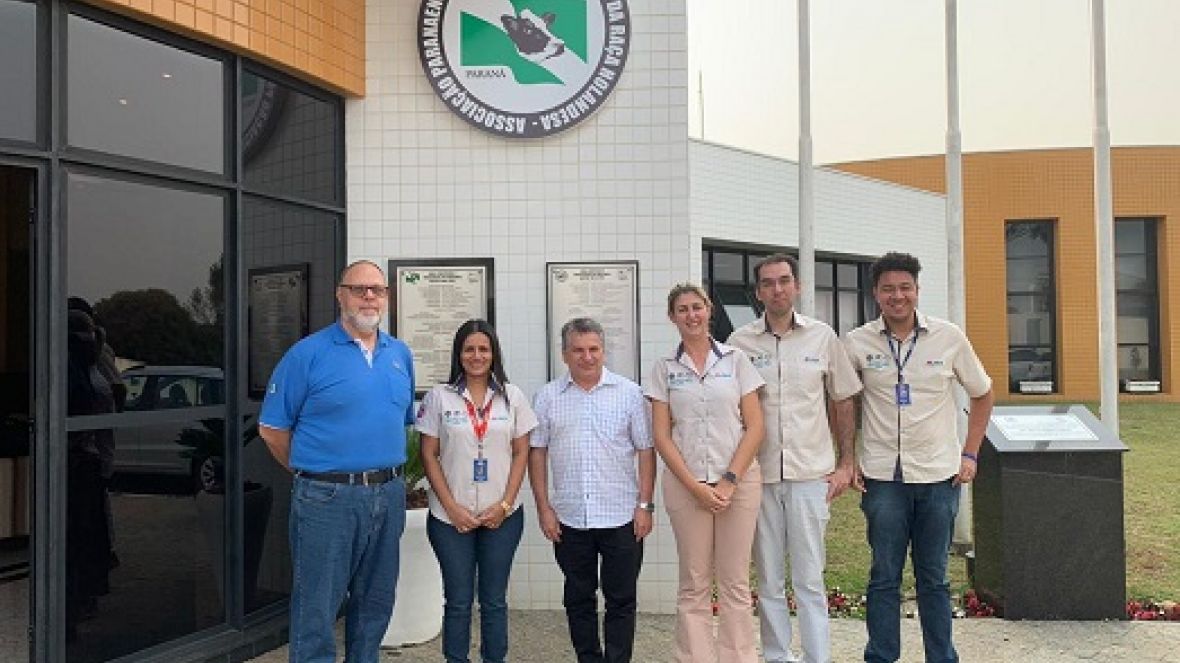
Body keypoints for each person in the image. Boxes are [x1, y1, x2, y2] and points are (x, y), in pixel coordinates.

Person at [259, 260, 415, 663]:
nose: (368, 296)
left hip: (389, 493)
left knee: (376, 603)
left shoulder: (400, 354)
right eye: (359, 288)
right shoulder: (307, 354)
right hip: (326, 499)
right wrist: (313, 473)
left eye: (376, 290)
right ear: (339, 294)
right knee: (317, 607)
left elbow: (398, 423)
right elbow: (272, 430)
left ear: (386, 297)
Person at [843, 252, 994, 663]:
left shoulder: (949, 337)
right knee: (883, 578)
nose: (897, 296)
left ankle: (942, 657)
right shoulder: (857, 343)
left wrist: (971, 454)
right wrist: (847, 458)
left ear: (916, 291)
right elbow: (841, 401)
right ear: (875, 293)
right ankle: (881, 656)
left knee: (935, 580)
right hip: (882, 480)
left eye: (905, 288)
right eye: (888, 288)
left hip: (938, 478)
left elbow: (982, 393)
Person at [727, 254, 862, 663]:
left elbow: (842, 399)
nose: (777, 289)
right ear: (758, 292)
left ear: (797, 286)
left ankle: (817, 657)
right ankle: (776, 656)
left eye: (784, 281)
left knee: (808, 577)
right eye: (768, 283)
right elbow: (732, 409)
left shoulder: (823, 338)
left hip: (810, 474)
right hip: (760, 475)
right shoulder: (740, 343)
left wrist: (846, 462)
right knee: (768, 577)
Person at [646, 284, 765, 663]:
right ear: (672, 317)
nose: (691, 315)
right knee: (694, 583)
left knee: (734, 583)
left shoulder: (735, 360)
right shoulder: (664, 368)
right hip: (686, 486)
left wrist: (729, 480)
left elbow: (755, 426)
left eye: (697, 307)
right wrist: (695, 486)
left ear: (709, 310)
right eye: (682, 309)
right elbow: (662, 436)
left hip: (739, 484)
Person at [529, 317, 655, 663]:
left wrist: (645, 505)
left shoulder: (629, 394)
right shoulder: (548, 397)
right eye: (578, 350)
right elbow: (536, 453)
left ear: (603, 351)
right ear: (565, 354)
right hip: (570, 518)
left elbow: (646, 451)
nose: (587, 357)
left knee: (621, 600)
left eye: (593, 349)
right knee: (578, 600)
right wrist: (544, 507)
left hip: (621, 517)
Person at [417, 319, 536, 663]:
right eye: (469, 349)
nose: (476, 355)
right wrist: (452, 508)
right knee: (457, 601)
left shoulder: (512, 397)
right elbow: (429, 453)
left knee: (494, 601)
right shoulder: (440, 397)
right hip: (449, 519)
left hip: (503, 516)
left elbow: (522, 453)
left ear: (494, 353)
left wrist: (505, 504)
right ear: (459, 354)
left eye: (484, 349)